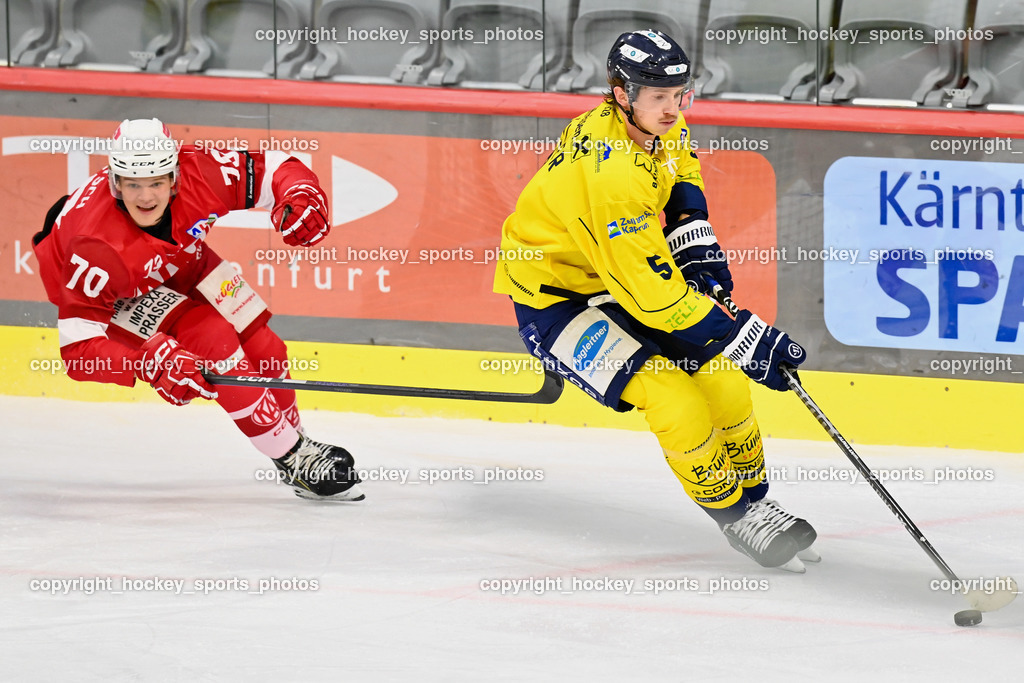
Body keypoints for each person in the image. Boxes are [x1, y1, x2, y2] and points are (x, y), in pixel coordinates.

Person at [493, 30, 816, 571]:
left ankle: (761, 505)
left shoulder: (653, 119)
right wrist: (745, 338)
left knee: (721, 377)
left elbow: (680, 165)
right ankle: (737, 517)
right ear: (622, 94)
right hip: (553, 299)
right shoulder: (611, 172)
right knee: (673, 396)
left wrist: (692, 230)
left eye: (679, 94)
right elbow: (651, 298)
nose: (673, 108)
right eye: (659, 96)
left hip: (610, 276)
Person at [32, 118, 363, 502]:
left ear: (174, 176)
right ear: (114, 182)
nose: (145, 197)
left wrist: (301, 192)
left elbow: (275, 168)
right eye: (133, 184)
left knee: (267, 348)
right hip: (120, 291)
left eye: (156, 182)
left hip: (183, 257)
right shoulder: (94, 247)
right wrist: (143, 362)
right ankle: (294, 458)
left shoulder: (199, 172)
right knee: (215, 339)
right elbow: (77, 352)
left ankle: (295, 445)